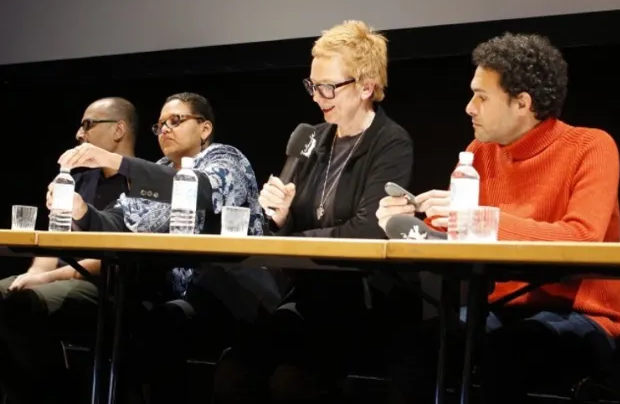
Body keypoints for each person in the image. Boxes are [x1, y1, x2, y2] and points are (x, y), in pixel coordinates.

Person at [376, 33, 620, 401]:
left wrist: (483, 219)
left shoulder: (591, 146)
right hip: (498, 311)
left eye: (482, 97)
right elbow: (457, 232)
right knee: (417, 348)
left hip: (582, 315)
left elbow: (583, 238)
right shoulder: (479, 153)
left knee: (510, 351)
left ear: (522, 103)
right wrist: (418, 219)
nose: (469, 107)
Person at [212, 20, 418, 404]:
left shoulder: (391, 143)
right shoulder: (313, 138)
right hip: (307, 295)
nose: (317, 96)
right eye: (312, 85)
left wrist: (291, 239)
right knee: (233, 368)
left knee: (291, 381)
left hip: (361, 301)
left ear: (366, 87)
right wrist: (282, 217)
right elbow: (293, 230)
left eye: (328, 87)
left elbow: (368, 232)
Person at [51, 92, 279, 403]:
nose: (165, 130)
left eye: (175, 120)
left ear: (205, 128)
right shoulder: (155, 170)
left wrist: (115, 161)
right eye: (159, 126)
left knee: (159, 327)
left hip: (230, 292)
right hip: (172, 295)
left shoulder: (227, 161)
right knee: (117, 325)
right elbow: (119, 222)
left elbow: (198, 189)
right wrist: (81, 211)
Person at [0, 97, 137, 404]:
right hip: (59, 278)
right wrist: (35, 273)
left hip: (105, 285)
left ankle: (55, 394)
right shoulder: (77, 178)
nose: (79, 133)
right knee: (7, 293)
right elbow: (55, 237)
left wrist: (45, 281)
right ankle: (33, 392)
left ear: (118, 130)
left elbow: (114, 254)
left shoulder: (140, 184)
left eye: (89, 124)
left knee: (23, 304)